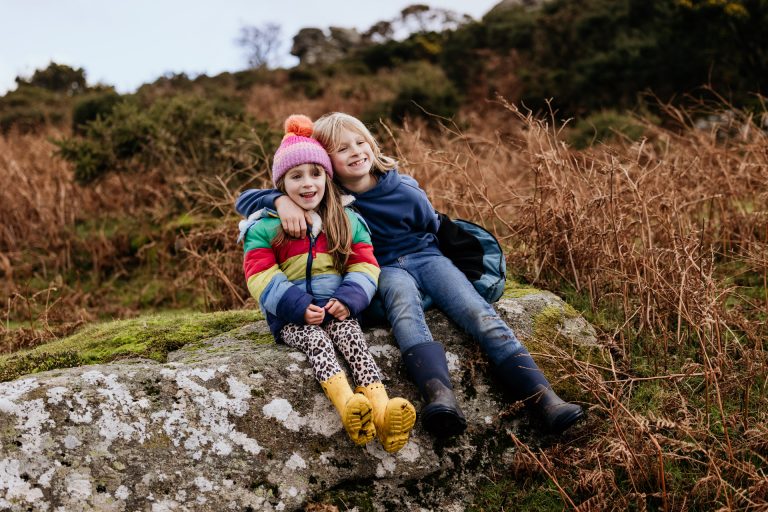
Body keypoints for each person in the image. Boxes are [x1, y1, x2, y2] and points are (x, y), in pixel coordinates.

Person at [236, 112, 584, 438]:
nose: (356, 152)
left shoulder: (402, 188)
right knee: (404, 310)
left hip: (426, 256)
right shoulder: (332, 198)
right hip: (383, 268)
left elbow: (431, 224)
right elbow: (253, 197)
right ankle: (439, 397)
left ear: (372, 145)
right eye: (342, 149)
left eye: (361, 143)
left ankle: (545, 399)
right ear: (328, 165)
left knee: (478, 312)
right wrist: (281, 201)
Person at [239, 114, 415, 453]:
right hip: (292, 318)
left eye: (316, 173)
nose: (308, 183)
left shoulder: (347, 219)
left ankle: (381, 410)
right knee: (316, 340)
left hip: (337, 307)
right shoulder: (264, 227)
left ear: (327, 177)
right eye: (296, 176)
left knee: (352, 337)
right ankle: (347, 405)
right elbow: (260, 275)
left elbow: (364, 264)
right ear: (281, 184)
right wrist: (298, 307)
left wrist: (349, 299)